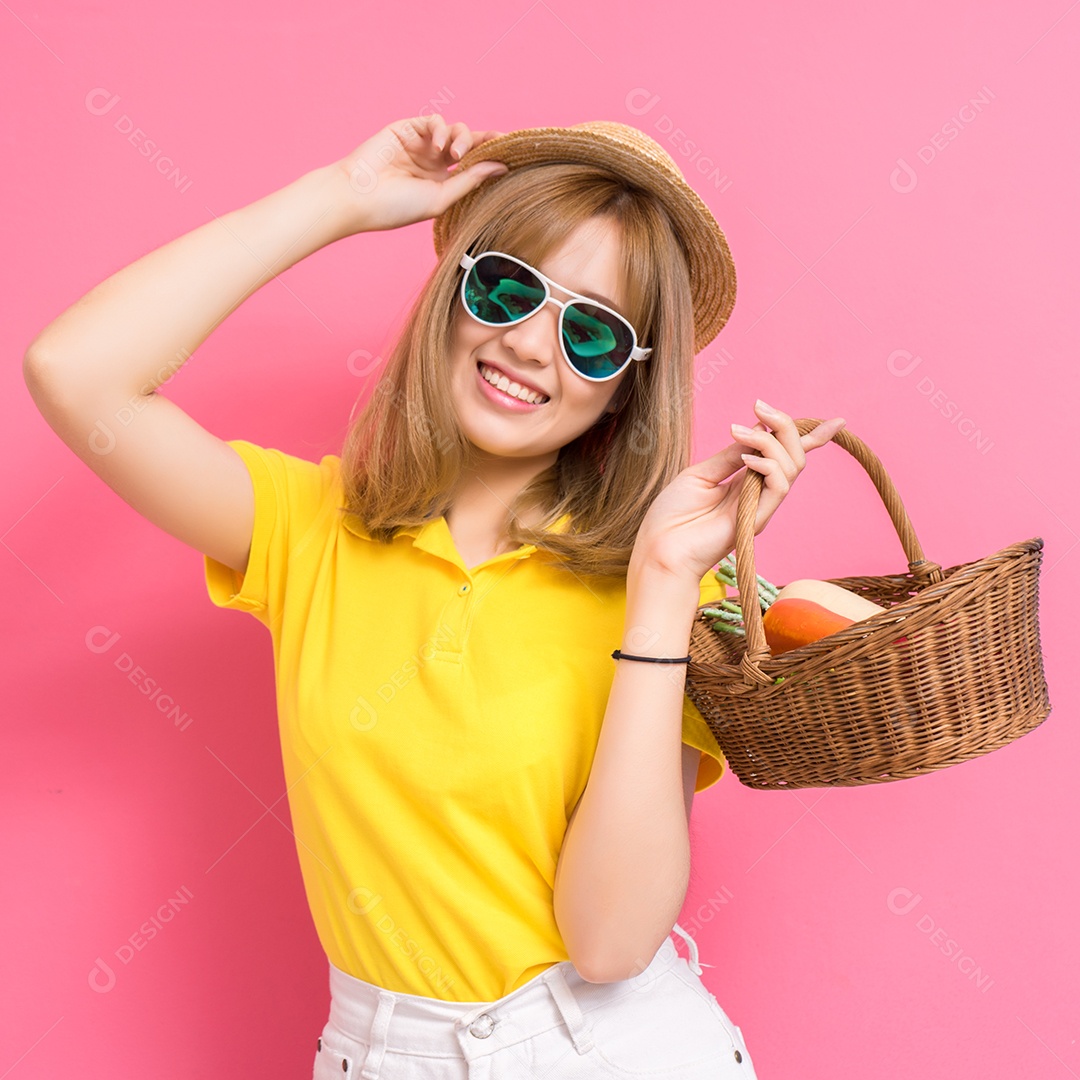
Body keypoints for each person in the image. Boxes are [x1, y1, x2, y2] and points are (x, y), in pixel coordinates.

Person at [23, 114, 845, 1079]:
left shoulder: (664, 591)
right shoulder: (309, 529)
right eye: (507, 287)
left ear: (624, 388)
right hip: (374, 1051)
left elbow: (610, 944)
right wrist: (340, 198)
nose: (533, 346)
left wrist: (662, 589)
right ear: (455, 292)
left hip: (608, 1049)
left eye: (590, 332)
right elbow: (75, 374)